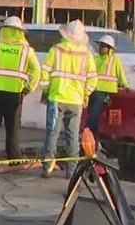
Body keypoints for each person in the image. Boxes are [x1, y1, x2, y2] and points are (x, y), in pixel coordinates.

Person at [39, 20, 97, 179]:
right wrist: (85, 94)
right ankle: (71, 171)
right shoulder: (87, 55)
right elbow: (93, 79)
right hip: (76, 101)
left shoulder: (56, 50)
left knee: (52, 133)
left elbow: (44, 73)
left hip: (57, 98)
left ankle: (47, 167)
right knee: (72, 137)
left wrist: (45, 91)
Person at [0, 15, 41, 163]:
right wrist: (27, 89)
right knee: (12, 130)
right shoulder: (26, 51)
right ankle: (14, 158)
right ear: (20, 32)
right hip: (14, 95)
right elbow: (36, 71)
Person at [85, 34, 128, 141]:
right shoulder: (95, 59)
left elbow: (120, 73)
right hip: (94, 89)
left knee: (95, 111)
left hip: (106, 91)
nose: (100, 48)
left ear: (109, 48)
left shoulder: (115, 59)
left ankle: (89, 131)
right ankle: (92, 133)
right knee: (91, 111)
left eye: (103, 46)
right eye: (100, 46)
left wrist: (126, 85)